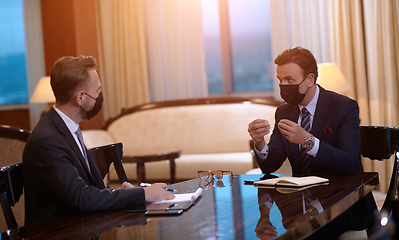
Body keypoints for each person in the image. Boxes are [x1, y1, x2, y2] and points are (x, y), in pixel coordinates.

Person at [23, 56, 174, 225]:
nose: (100, 96)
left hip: (81, 223)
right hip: (56, 231)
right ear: (80, 98)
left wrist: (130, 194)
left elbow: (93, 191)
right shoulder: (48, 140)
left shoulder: (67, 128)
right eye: (97, 92)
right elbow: (82, 198)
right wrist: (143, 194)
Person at [248, 47, 377, 239]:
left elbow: (349, 162)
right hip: (298, 201)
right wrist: (259, 142)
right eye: (280, 80)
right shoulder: (284, 111)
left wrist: (307, 141)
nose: (283, 85)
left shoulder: (344, 107)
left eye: (289, 80)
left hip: (342, 201)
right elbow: (270, 165)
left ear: (309, 79)